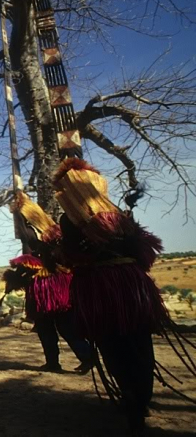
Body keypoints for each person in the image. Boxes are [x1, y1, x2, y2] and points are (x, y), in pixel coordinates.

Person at [52, 158, 172, 431]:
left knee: (111, 344)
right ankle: (140, 399)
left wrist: (63, 253)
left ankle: (131, 398)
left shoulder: (70, 220)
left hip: (100, 289)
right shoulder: (119, 214)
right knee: (139, 342)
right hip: (132, 285)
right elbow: (143, 253)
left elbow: (72, 258)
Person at [3, 192, 92, 373]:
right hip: (60, 283)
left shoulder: (29, 233)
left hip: (46, 286)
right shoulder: (53, 230)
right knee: (64, 325)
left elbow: (29, 259)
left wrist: (15, 277)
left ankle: (61, 361)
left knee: (47, 326)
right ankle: (84, 357)